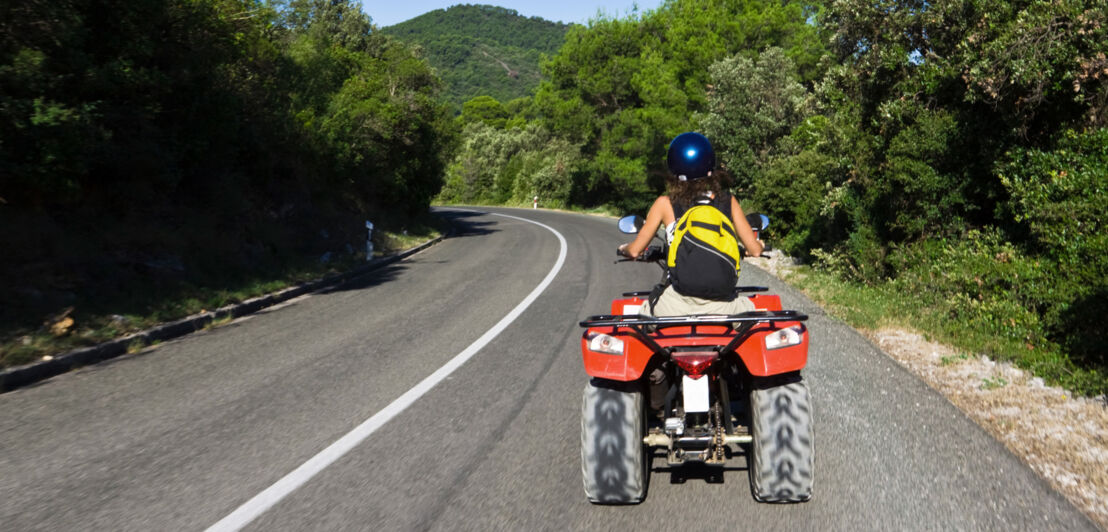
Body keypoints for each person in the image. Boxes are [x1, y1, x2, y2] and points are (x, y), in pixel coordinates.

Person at [618, 132, 763, 317]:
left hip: (675, 304)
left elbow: (635, 251)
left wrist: (624, 248)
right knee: (754, 316)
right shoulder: (728, 201)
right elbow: (755, 250)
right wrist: (757, 246)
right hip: (723, 305)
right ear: (711, 165)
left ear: (673, 169)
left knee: (639, 320)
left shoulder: (665, 203)